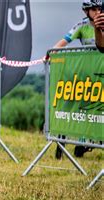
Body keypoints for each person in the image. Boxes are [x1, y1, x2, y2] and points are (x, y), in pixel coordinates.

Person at [53, 0, 102, 158]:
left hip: (101, 75)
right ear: (86, 12)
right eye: (93, 9)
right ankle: (65, 137)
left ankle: (88, 141)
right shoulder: (82, 25)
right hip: (86, 76)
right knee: (78, 106)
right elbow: (64, 40)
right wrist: (50, 53)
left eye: (98, 9)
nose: (96, 12)